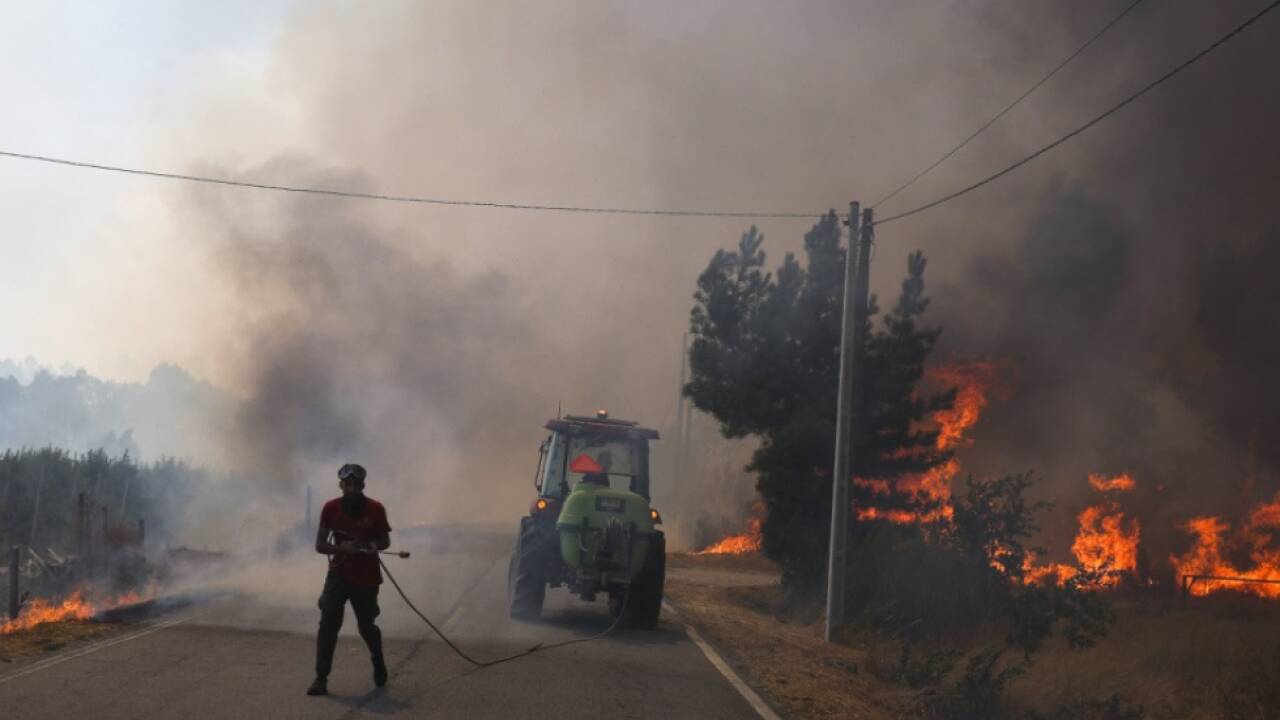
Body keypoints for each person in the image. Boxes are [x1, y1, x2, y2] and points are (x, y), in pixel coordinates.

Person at [307, 463, 392, 696]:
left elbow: (385, 542)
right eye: (348, 485)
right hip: (338, 574)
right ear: (341, 486)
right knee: (328, 623)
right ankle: (321, 677)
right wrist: (342, 548)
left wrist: (371, 545)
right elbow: (319, 545)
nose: (352, 489)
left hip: (366, 577)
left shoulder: (375, 509)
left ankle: (377, 658)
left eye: (356, 485)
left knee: (366, 626)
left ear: (363, 485)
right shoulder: (330, 508)